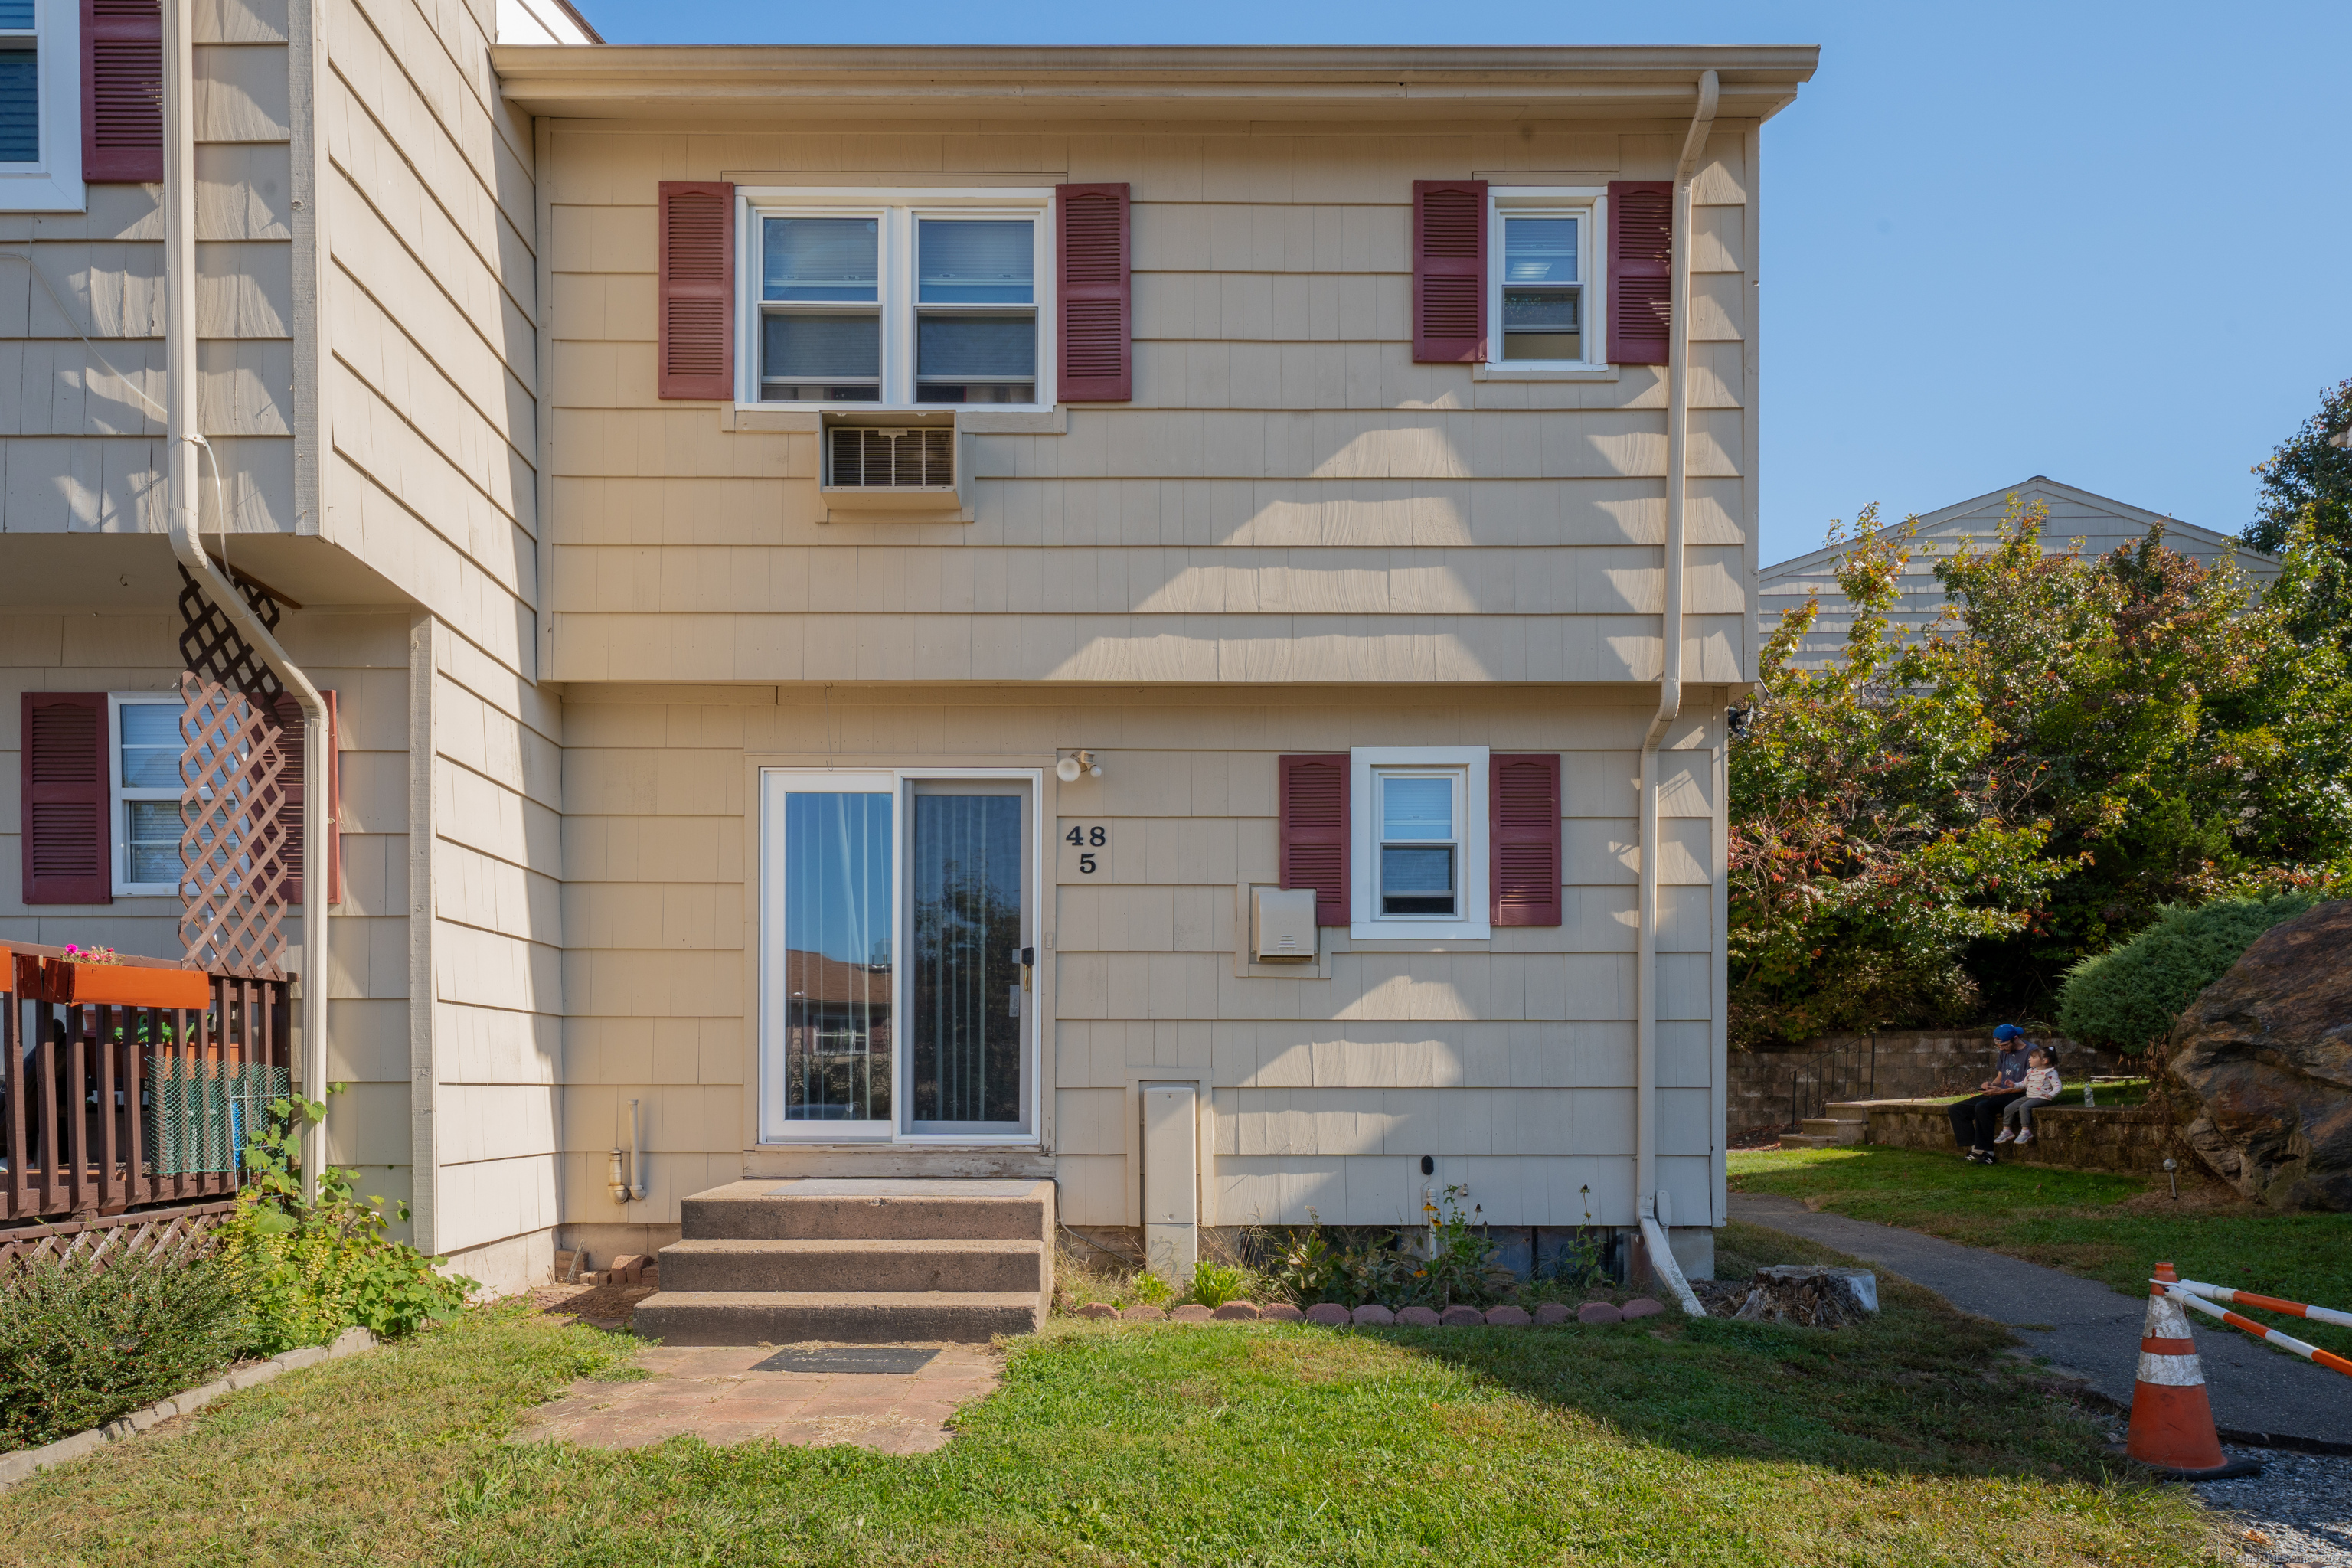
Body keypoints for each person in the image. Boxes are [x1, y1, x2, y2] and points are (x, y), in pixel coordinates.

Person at [1947, 1024, 2034, 1164]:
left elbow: (2032, 1084)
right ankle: (1976, 1149)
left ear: (2015, 1039)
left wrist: (2002, 1091)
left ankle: (1989, 1153)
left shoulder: (2032, 1053)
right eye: (1998, 1046)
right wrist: (1990, 1086)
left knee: (1983, 1107)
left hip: (2019, 1094)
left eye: (2004, 1045)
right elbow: (2000, 1078)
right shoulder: (2004, 1052)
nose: (2001, 1049)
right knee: (1956, 1109)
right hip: (2001, 1092)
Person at [1994, 1048, 2062, 1145]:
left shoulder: (2050, 1072)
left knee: (2024, 1107)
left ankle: (2026, 1131)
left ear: (2044, 1061)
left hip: (2042, 1098)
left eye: (2033, 1057)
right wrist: (2014, 1085)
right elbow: (2024, 1084)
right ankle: (2007, 1130)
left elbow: (2058, 1086)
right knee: (2009, 1107)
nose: (2029, 1059)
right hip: (2029, 1096)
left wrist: (2051, 1095)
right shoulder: (2031, 1072)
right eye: (2030, 1057)